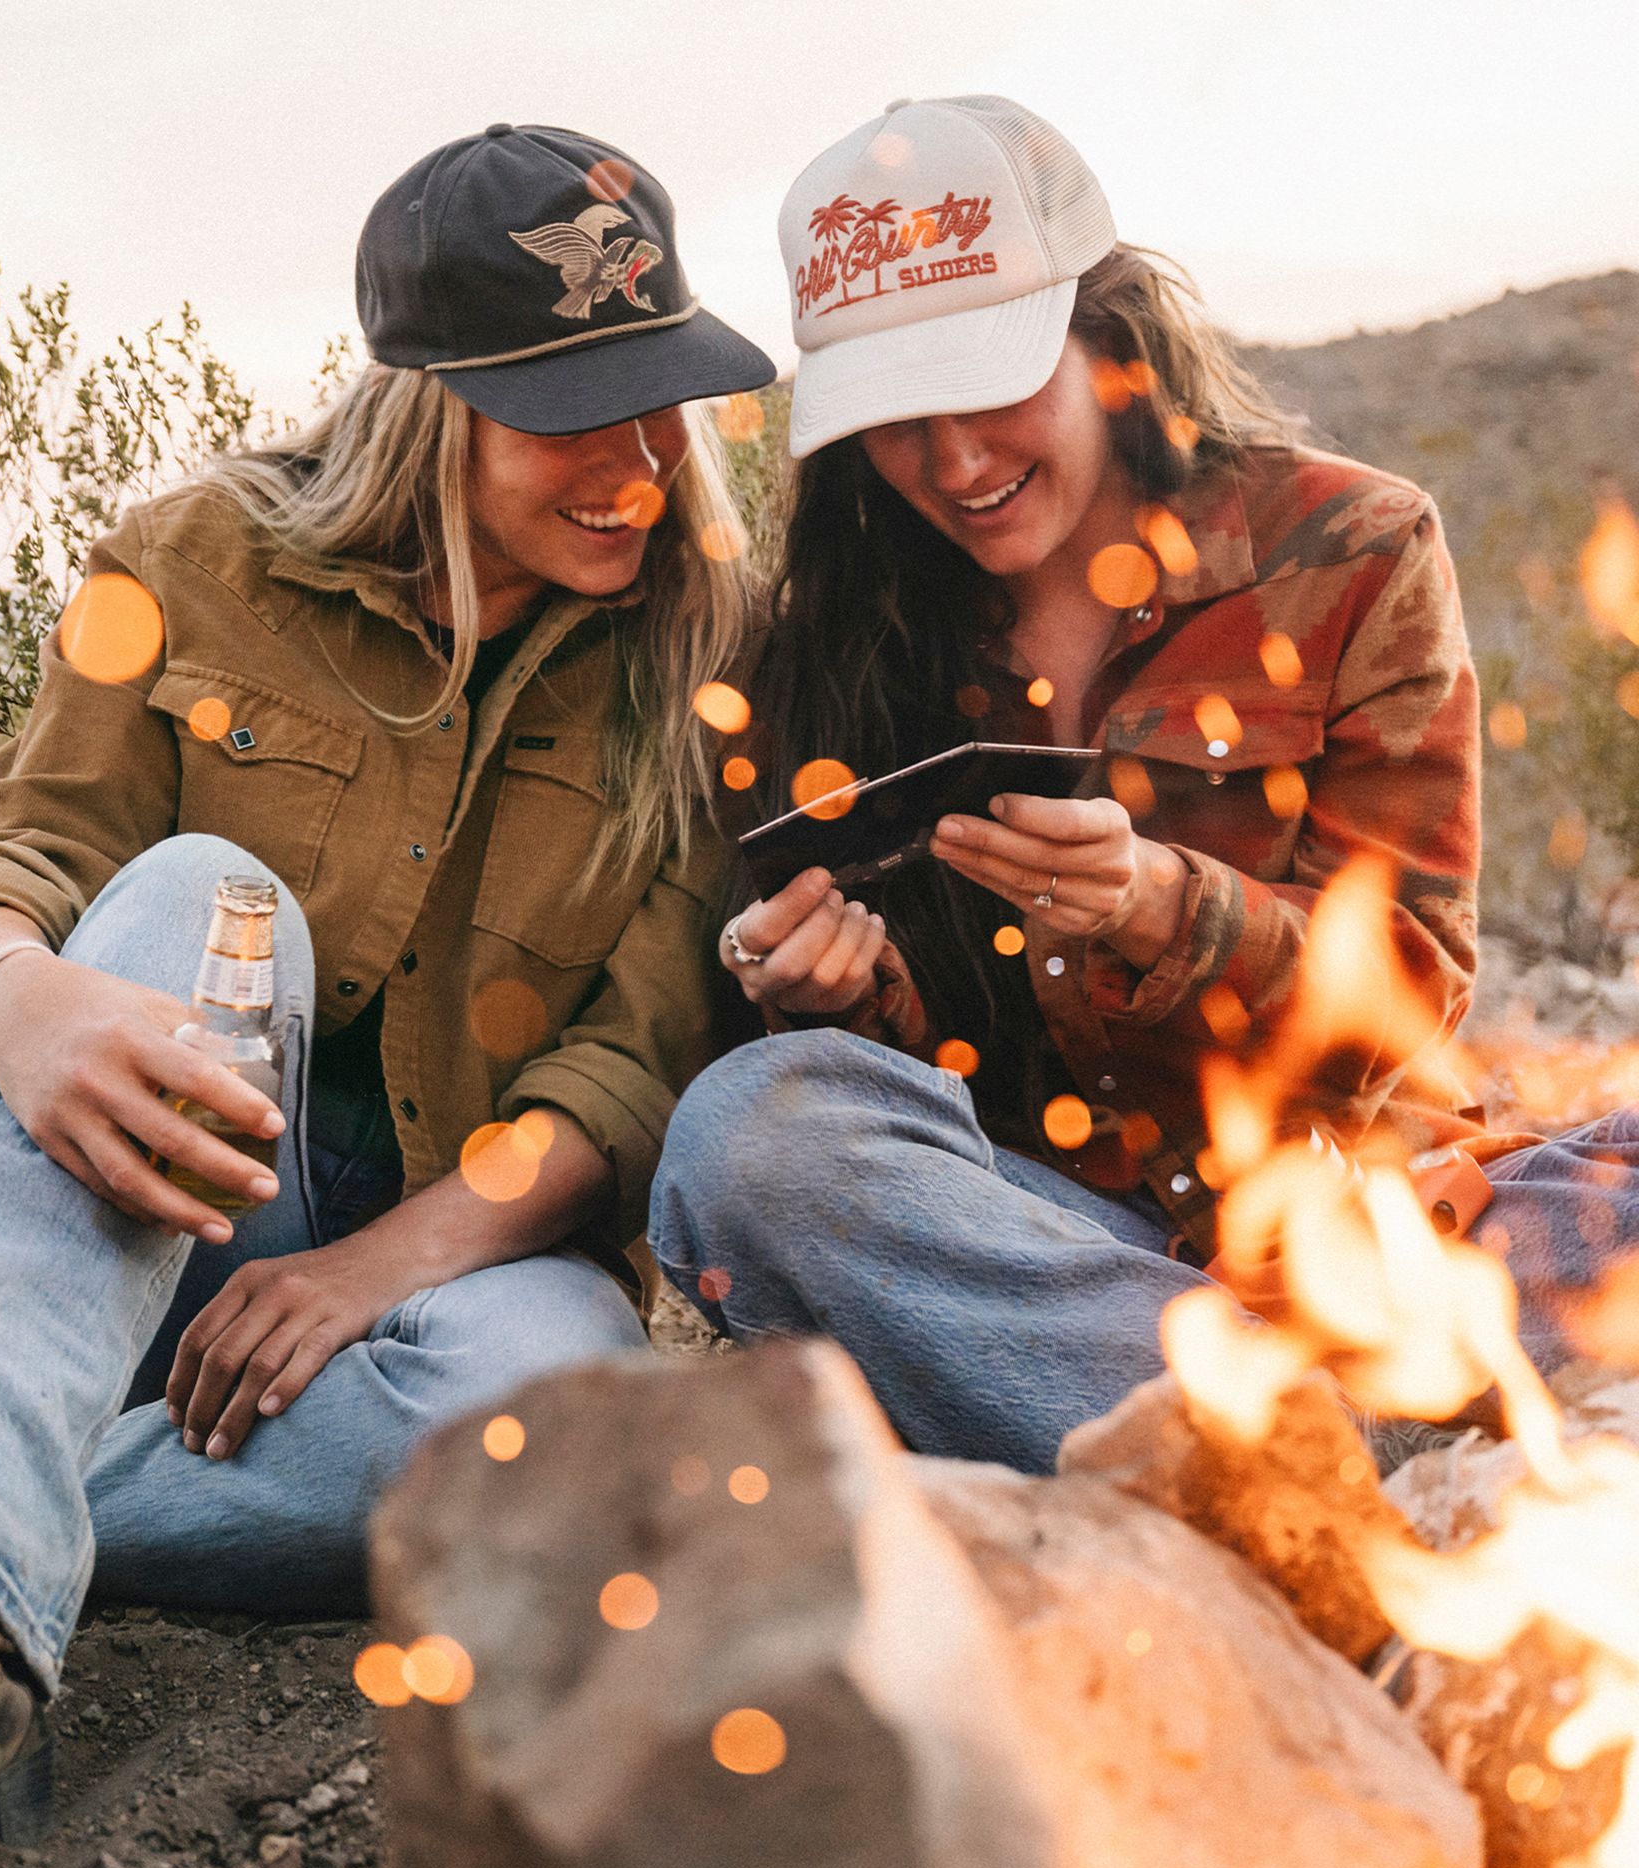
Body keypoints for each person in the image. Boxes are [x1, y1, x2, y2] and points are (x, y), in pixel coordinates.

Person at [0, 123, 773, 1868]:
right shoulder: (185, 558)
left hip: (461, 1247)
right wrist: (17, 997)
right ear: (429, 404)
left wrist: (365, 1271)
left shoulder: (704, 648)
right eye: (578, 413)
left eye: (666, 403)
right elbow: (11, 848)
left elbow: (628, 1061)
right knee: (181, 893)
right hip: (153, 1213)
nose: (644, 468)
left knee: (565, 1413)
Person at [648, 94, 1639, 1475]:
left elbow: (1406, 994)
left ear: (1109, 340)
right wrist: (847, 997)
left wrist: (1165, 906)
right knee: (749, 1141)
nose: (956, 464)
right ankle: (1305, 1447)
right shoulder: (829, 643)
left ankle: (1194, 1440)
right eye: (897, 421)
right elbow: (929, 1120)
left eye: (992, 389)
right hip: (1057, 1249)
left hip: (1373, 1222)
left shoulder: (1354, 547)